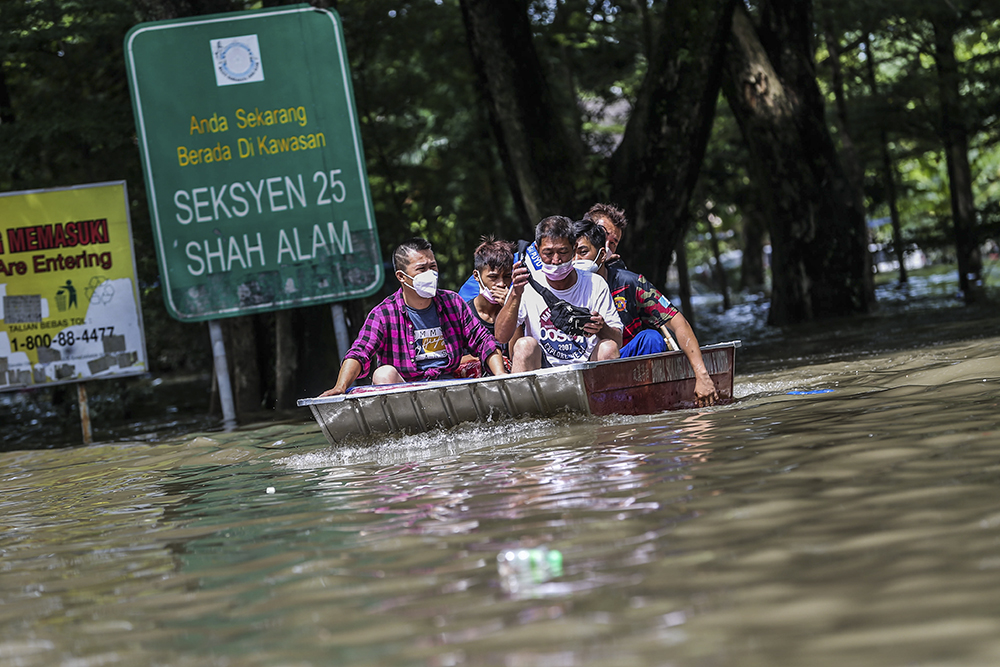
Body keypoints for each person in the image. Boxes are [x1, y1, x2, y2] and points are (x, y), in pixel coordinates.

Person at [320, 237, 506, 396]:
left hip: (451, 387)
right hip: (405, 392)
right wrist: (341, 387)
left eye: (433, 266)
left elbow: (484, 341)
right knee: (382, 373)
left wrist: (501, 379)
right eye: (421, 269)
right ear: (401, 277)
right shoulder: (383, 314)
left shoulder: (453, 302)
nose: (430, 274)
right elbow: (360, 352)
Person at [572, 218, 720, 407]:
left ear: (601, 255)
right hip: (581, 365)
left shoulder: (628, 283)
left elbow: (677, 322)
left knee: (651, 338)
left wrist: (702, 375)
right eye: (571, 253)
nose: (575, 261)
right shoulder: (559, 285)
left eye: (582, 252)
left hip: (626, 363)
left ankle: (647, 401)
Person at [494, 216, 623, 372]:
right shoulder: (526, 284)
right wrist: (515, 294)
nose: (556, 260)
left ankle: (605, 396)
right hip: (543, 368)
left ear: (574, 248)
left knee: (608, 348)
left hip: (586, 368)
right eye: (548, 253)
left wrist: (601, 327)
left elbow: (617, 341)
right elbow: (501, 336)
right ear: (537, 249)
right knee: (524, 345)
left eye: (563, 252)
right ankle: (521, 397)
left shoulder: (595, 284)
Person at [464, 236, 514, 369]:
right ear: (476, 276)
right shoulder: (464, 314)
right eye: (493, 277)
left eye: (507, 277)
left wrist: (511, 310)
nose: (501, 284)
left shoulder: (519, 307)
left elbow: (517, 355)